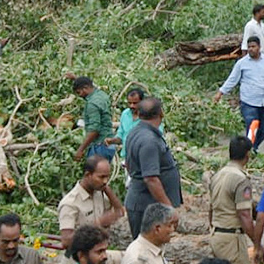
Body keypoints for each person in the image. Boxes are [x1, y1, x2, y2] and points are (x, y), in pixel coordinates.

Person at [207, 136, 257, 264]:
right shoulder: (240, 179)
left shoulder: (217, 175)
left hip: (217, 234)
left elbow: (210, 209)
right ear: (247, 155)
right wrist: (256, 243)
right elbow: (244, 215)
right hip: (232, 238)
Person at [57, 157, 124, 264]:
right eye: (101, 177)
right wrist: (98, 224)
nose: (105, 181)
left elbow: (119, 212)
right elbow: (66, 241)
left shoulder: (99, 194)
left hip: (96, 262)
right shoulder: (71, 203)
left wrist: (107, 190)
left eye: (107, 177)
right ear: (88, 175)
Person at [124, 97, 182, 239]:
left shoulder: (135, 132)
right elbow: (151, 179)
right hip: (146, 207)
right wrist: (168, 209)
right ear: (160, 113)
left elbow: (129, 164)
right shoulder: (148, 140)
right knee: (145, 249)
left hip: (144, 203)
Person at [215, 36, 264, 150]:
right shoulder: (242, 63)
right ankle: (250, 151)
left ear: (259, 47)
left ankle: (253, 147)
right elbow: (232, 79)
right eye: (249, 47)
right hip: (249, 103)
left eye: (253, 46)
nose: (251, 49)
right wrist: (220, 92)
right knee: (252, 128)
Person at [72, 76, 115, 162]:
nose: (79, 96)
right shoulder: (102, 95)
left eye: (79, 92)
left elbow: (94, 129)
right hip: (109, 145)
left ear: (85, 88)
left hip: (99, 146)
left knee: (95, 174)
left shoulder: (92, 104)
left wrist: (81, 149)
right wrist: (74, 77)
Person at [106, 87, 147, 156]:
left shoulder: (149, 116)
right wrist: (111, 141)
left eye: (135, 103)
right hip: (126, 157)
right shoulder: (125, 114)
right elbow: (120, 136)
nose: (132, 106)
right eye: (129, 103)